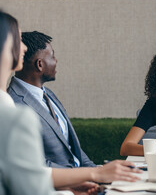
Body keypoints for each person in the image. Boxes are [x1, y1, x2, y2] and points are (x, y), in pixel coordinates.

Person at [0, 11, 141, 195]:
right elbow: (32, 181)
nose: (24, 48)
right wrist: (92, 175)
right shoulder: (14, 111)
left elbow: (73, 151)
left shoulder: (48, 95)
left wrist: (96, 177)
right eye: (18, 40)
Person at [8, 31, 95, 168]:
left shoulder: (49, 94)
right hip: (58, 186)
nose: (56, 60)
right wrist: (82, 176)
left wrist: (95, 171)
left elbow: (72, 148)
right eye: (52, 56)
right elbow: (35, 164)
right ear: (40, 64)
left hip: (83, 180)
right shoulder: (13, 104)